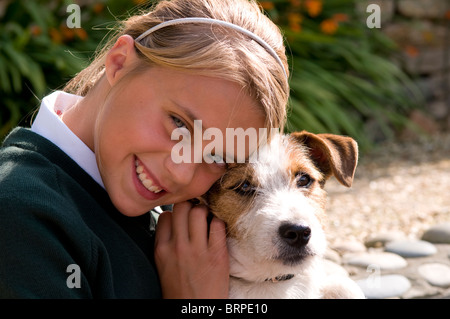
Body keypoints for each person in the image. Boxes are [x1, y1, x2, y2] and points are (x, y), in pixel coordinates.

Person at [0, 0, 289, 298]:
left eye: (219, 157)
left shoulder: (185, 217)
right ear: (119, 62)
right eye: (179, 124)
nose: (181, 172)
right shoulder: (20, 215)